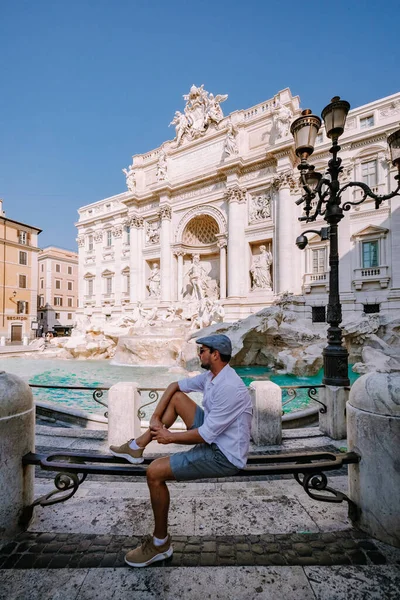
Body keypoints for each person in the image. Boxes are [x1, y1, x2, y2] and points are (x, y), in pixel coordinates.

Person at [109, 334, 252, 568]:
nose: (199, 354)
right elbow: (174, 386)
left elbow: (206, 435)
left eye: (203, 350)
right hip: (215, 437)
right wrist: (155, 419)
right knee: (177, 398)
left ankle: (160, 544)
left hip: (224, 455)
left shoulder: (229, 387)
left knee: (154, 472)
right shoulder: (212, 377)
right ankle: (137, 446)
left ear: (215, 355)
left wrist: (169, 437)